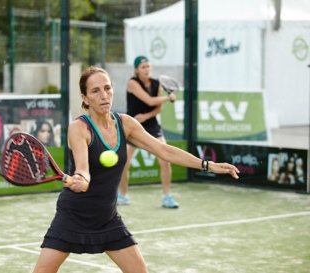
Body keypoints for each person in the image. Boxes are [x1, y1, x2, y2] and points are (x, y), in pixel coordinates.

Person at [32, 66, 240, 273]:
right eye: (95, 91)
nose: (104, 95)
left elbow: (164, 151)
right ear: (84, 98)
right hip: (73, 215)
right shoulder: (79, 128)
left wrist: (207, 164)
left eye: (107, 88)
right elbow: (83, 169)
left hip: (107, 217)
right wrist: (80, 179)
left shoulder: (125, 124)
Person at [117, 55, 178, 208]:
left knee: (165, 160)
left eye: (148, 67)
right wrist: (168, 98)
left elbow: (158, 108)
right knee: (123, 163)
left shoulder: (157, 84)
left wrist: (146, 116)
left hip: (151, 126)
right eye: (143, 67)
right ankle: (122, 196)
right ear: (137, 70)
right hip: (131, 126)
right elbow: (150, 101)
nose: (146, 70)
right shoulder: (132, 83)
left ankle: (167, 196)